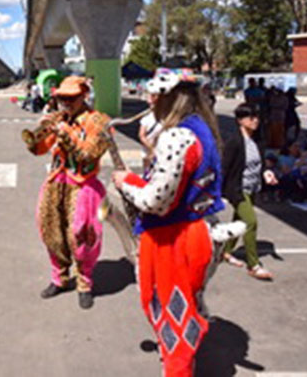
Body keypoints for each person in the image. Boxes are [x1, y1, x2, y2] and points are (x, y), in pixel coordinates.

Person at [112, 70, 224, 377]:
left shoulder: (176, 135)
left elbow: (156, 202)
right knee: (185, 307)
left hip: (173, 240)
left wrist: (125, 183)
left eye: (153, 96)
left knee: (173, 315)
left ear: (169, 98)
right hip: (195, 231)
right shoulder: (201, 128)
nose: (148, 101)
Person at [25, 75, 110, 309]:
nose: (65, 103)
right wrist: (40, 133)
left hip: (83, 186)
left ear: (84, 96)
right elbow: (38, 149)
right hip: (56, 181)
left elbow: (90, 154)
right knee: (51, 230)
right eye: (62, 98)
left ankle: (85, 283)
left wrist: (67, 135)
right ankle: (59, 278)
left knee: (83, 235)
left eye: (71, 98)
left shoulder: (99, 121)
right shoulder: (60, 118)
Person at [222, 103, 275, 281]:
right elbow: (225, 168)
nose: (255, 120)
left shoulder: (257, 140)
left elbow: (257, 165)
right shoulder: (234, 141)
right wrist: (217, 193)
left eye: (257, 117)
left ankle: (226, 251)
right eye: (251, 117)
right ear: (240, 120)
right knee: (250, 222)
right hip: (238, 189)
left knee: (239, 220)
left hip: (253, 187)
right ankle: (254, 265)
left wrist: (266, 174)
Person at [138, 92, 162, 172]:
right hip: (148, 152)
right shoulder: (146, 118)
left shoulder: (165, 118)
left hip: (161, 151)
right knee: (147, 172)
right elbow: (141, 135)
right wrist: (151, 148)